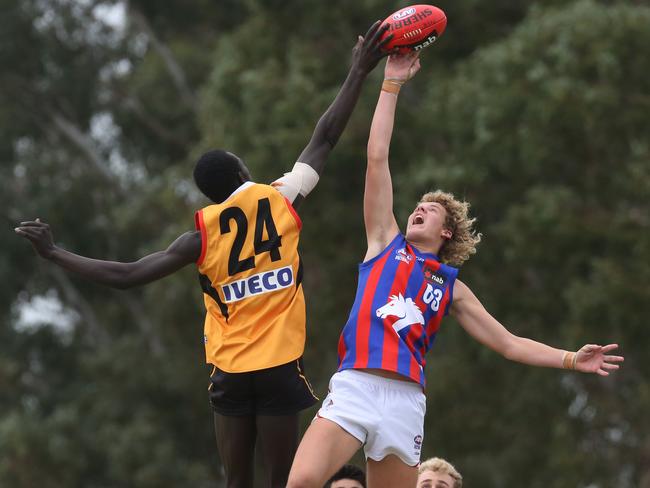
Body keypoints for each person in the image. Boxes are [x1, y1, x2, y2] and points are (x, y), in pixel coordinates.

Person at [14, 21, 393, 488]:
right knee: (282, 481)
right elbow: (326, 137)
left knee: (235, 482)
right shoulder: (279, 199)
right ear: (240, 171)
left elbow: (126, 274)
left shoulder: (201, 235)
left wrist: (54, 253)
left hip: (230, 370)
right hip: (277, 366)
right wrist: (358, 70)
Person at [286, 51, 624, 488]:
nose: (419, 209)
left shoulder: (449, 285)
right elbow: (377, 158)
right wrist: (391, 84)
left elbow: (508, 343)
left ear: (447, 233)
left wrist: (570, 359)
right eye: (417, 206)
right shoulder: (384, 242)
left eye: (430, 209)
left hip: (406, 401)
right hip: (357, 385)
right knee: (301, 482)